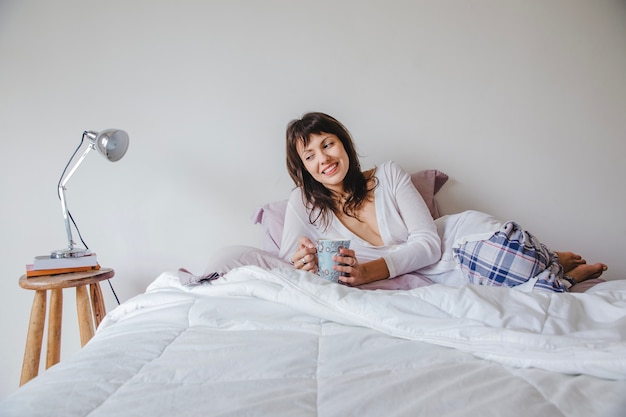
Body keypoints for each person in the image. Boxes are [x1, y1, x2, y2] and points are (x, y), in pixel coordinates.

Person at [279, 112, 607, 291]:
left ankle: (551, 258)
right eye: (310, 155)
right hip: (442, 276)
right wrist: (302, 261)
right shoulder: (303, 203)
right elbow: (287, 259)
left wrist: (367, 273)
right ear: (303, 168)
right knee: (519, 287)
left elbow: (429, 244)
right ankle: (565, 272)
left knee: (515, 258)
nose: (323, 158)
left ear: (344, 144)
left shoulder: (389, 174)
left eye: (328, 144)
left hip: (455, 242)